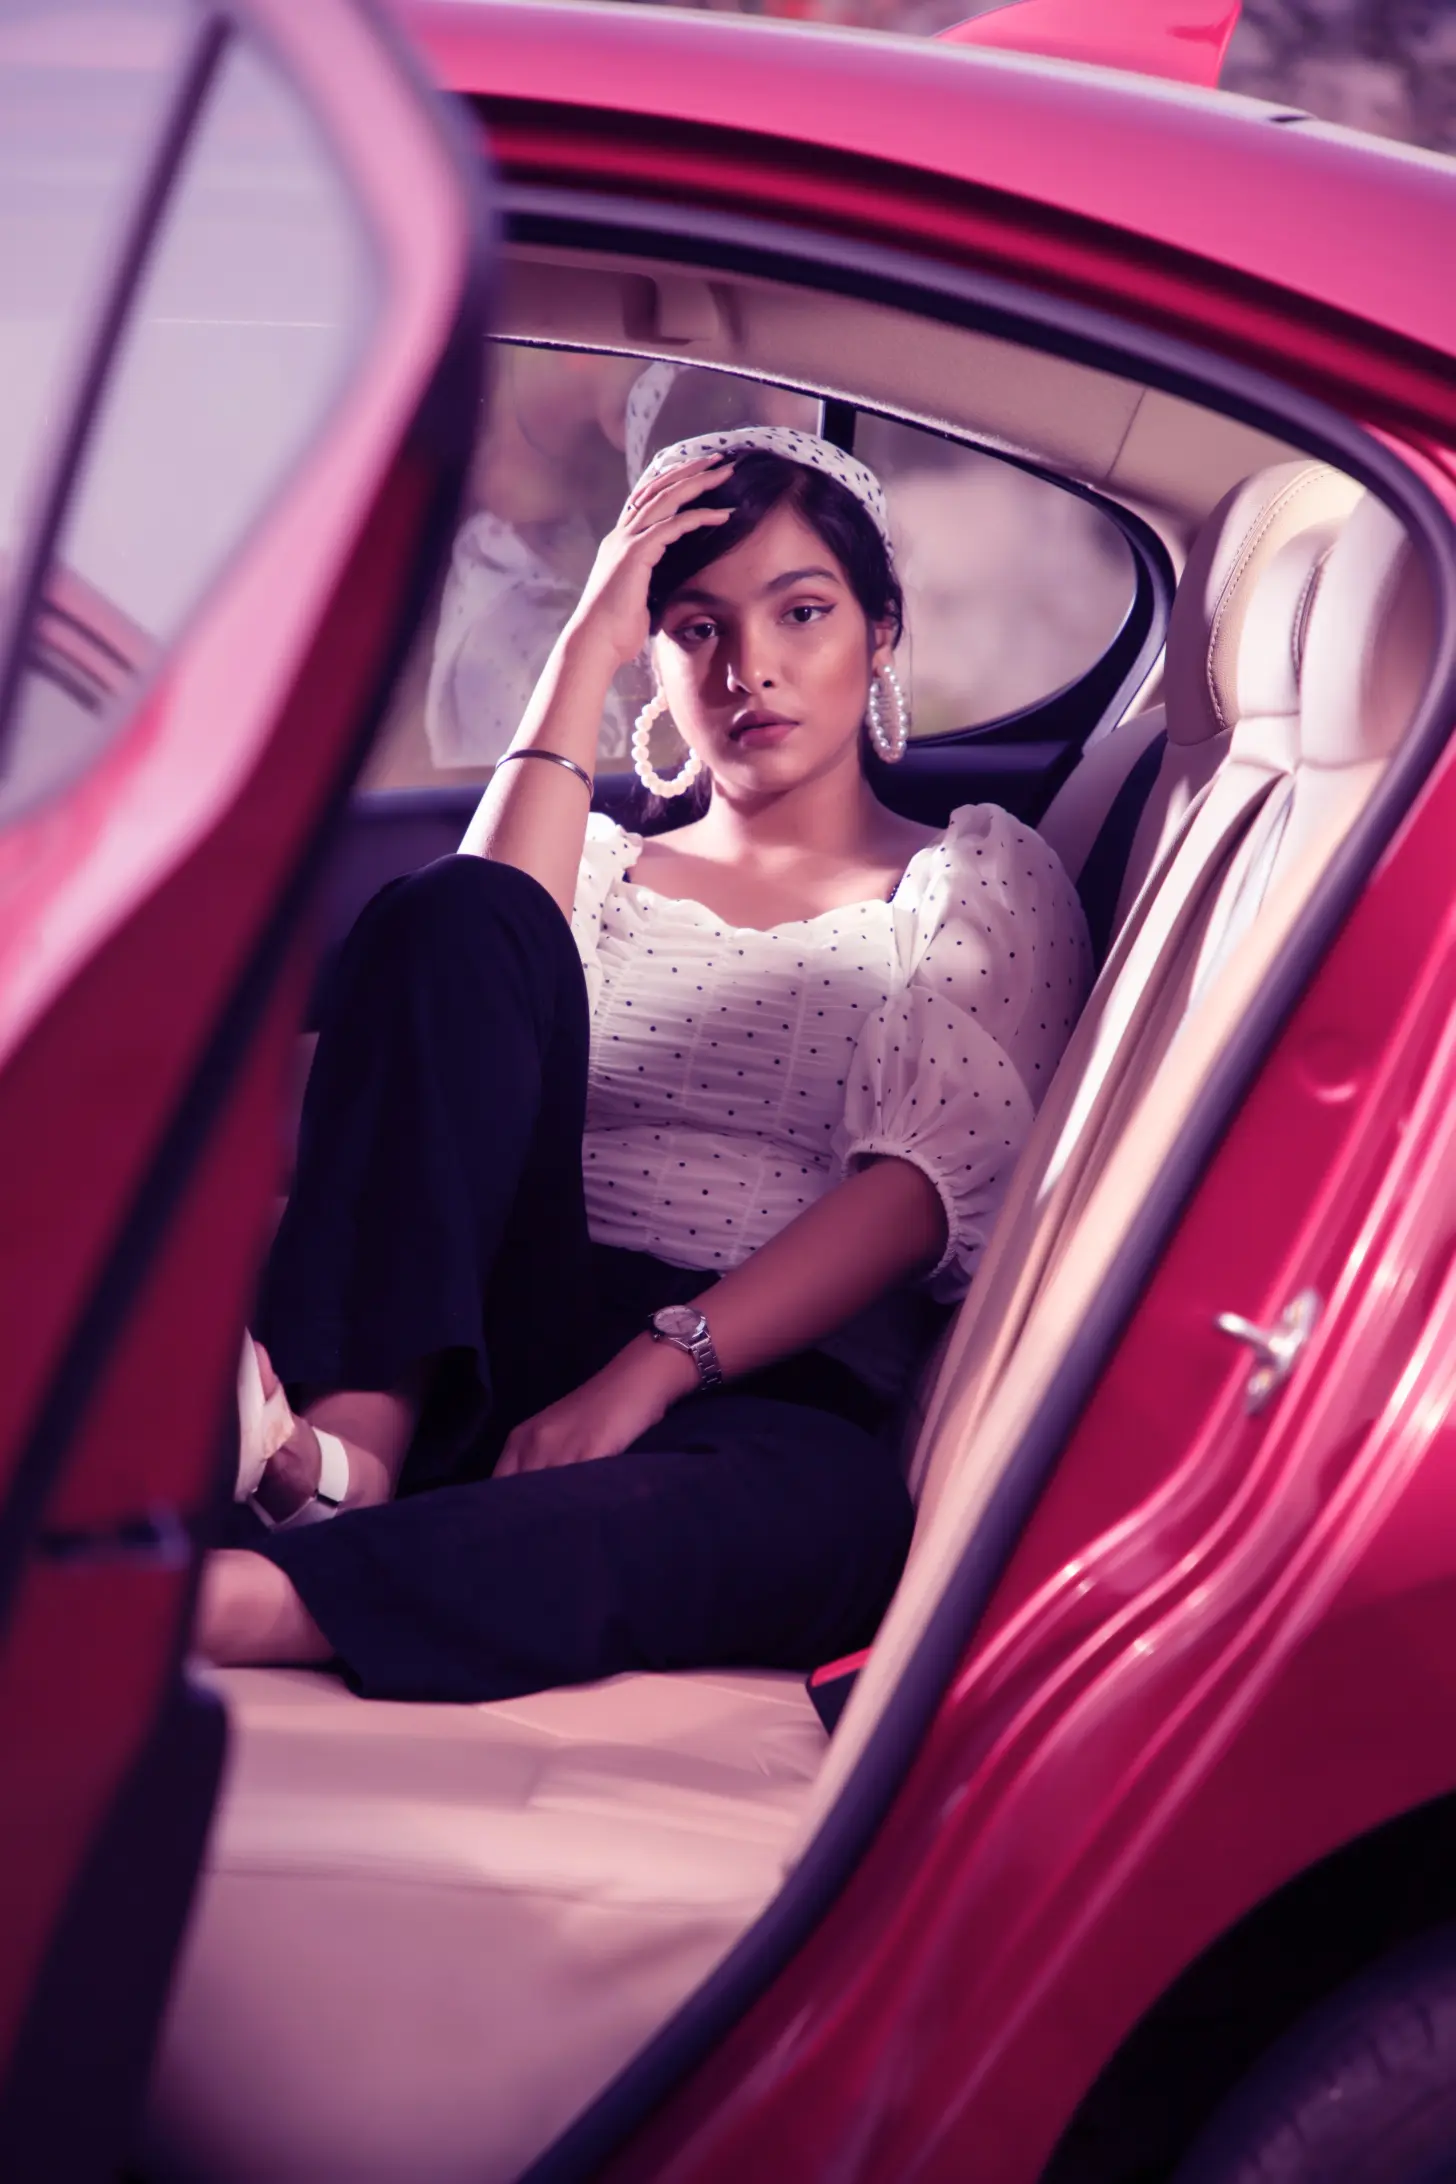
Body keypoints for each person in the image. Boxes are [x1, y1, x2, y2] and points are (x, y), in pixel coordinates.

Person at [198, 427, 1092, 1704]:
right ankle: (348, 1452)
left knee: (824, 1517)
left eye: (802, 613)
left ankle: (260, 1600)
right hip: (490, 1335)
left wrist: (652, 1369)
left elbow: (914, 1193)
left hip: (760, 1385)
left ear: (880, 634)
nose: (751, 670)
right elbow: (465, 977)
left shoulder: (970, 877)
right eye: (694, 628)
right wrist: (583, 647)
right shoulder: (602, 863)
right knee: (457, 909)